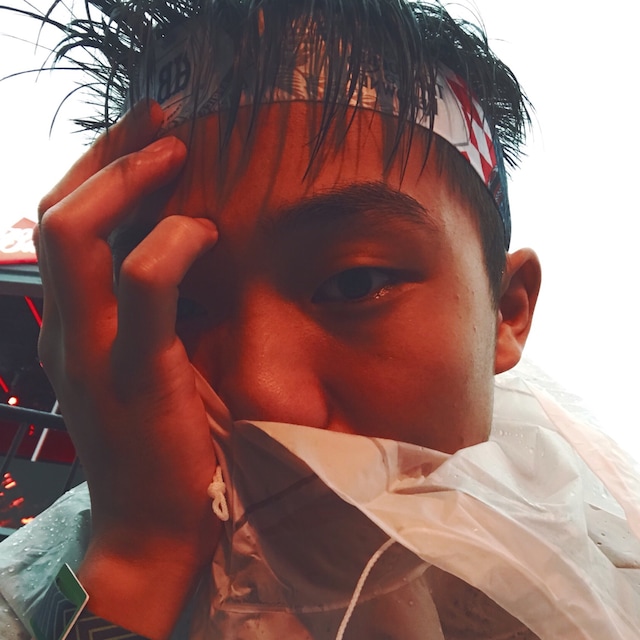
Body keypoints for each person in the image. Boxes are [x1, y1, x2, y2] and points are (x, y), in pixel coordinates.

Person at [0, 1, 639, 638]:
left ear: (506, 313)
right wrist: (139, 559)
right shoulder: (79, 560)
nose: (263, 394)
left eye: (355, 284)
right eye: (178, 304)